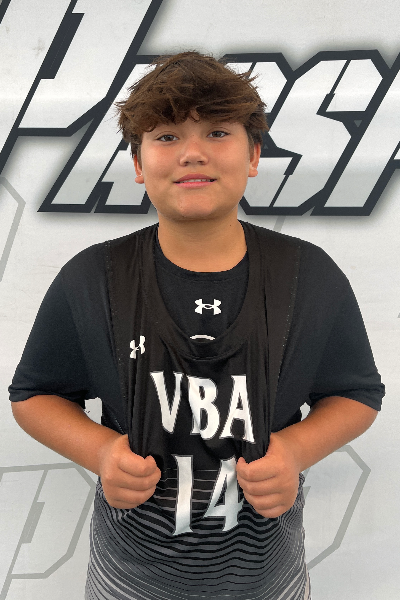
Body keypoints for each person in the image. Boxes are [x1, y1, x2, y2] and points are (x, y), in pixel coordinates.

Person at [9, 52, 384, 600]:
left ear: (253, 154)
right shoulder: (93, 278)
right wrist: (100, 452)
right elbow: (33, 394)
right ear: (138, 163)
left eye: (217, 131)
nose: (192, 152)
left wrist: (297, 450)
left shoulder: (309, 276)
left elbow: (357, 393)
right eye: (166, 136)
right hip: (127, 580)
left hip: (268, 579)